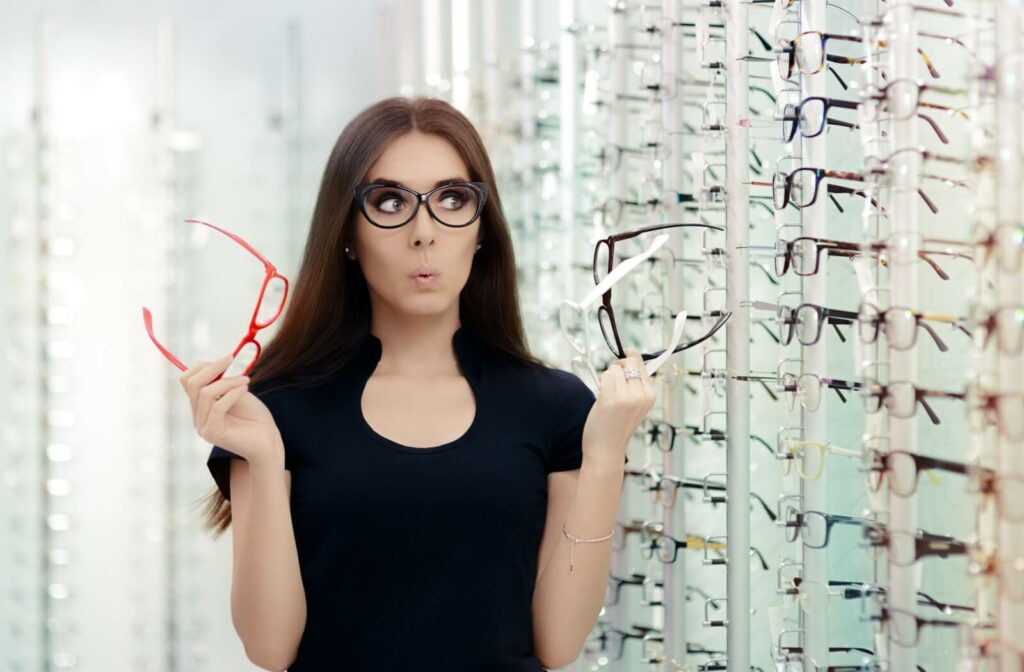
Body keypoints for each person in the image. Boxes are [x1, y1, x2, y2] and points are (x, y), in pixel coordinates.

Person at [179, 96, 654, 672]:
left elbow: (557, 645)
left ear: (482, 231)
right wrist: (261, 455)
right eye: (389, 201)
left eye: (453, 199)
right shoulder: (275, 413)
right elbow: (269, 648)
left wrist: (604, 455)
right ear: (347, 234)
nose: (424, 232)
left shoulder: (553, 407)